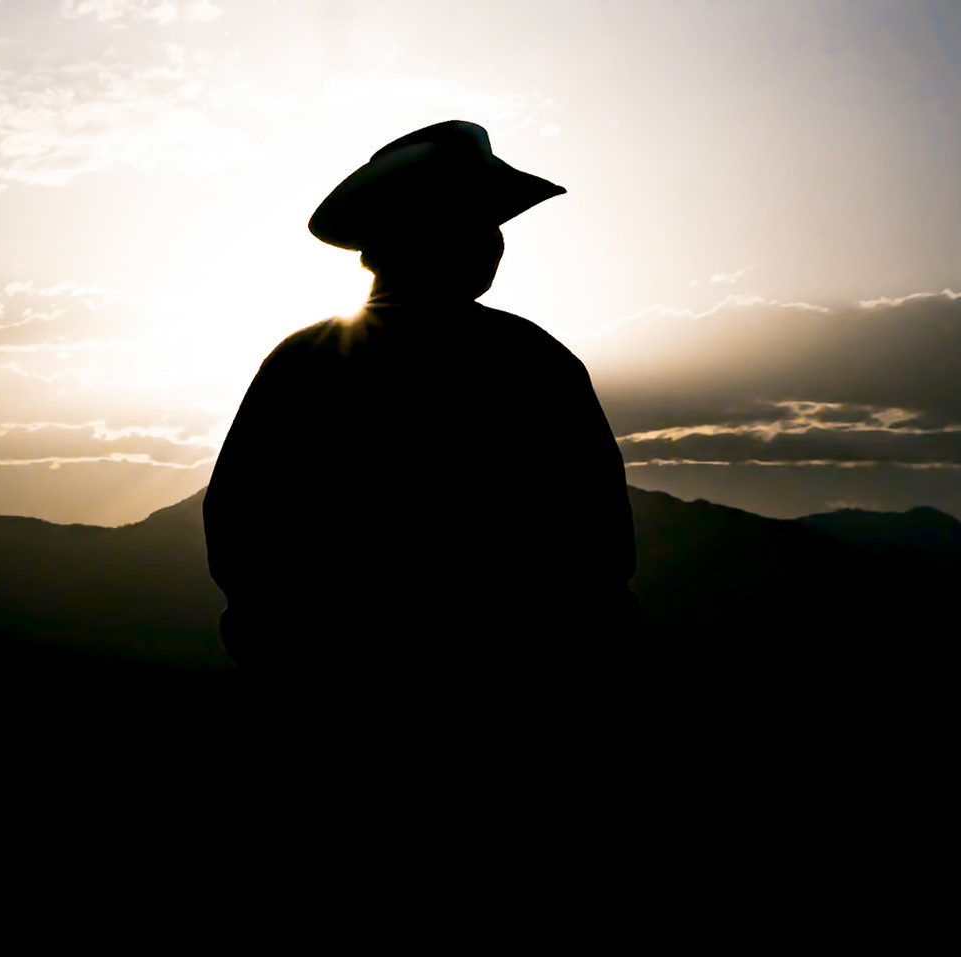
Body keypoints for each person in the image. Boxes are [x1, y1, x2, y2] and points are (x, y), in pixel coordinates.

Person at [202, 121, 638, 703]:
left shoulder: (302, 362)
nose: (494, 243)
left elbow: (242, 532)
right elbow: (596, 546)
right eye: (477, 223)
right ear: (430, 236)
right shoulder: (531, 361)